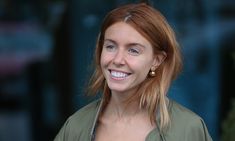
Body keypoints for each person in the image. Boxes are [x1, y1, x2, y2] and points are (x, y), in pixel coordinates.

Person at [54, 2, 213, 141]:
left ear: (156, 60)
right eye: (111, 46)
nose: (117, 59)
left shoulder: (188, 129)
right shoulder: (75, 127)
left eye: (133, 51)